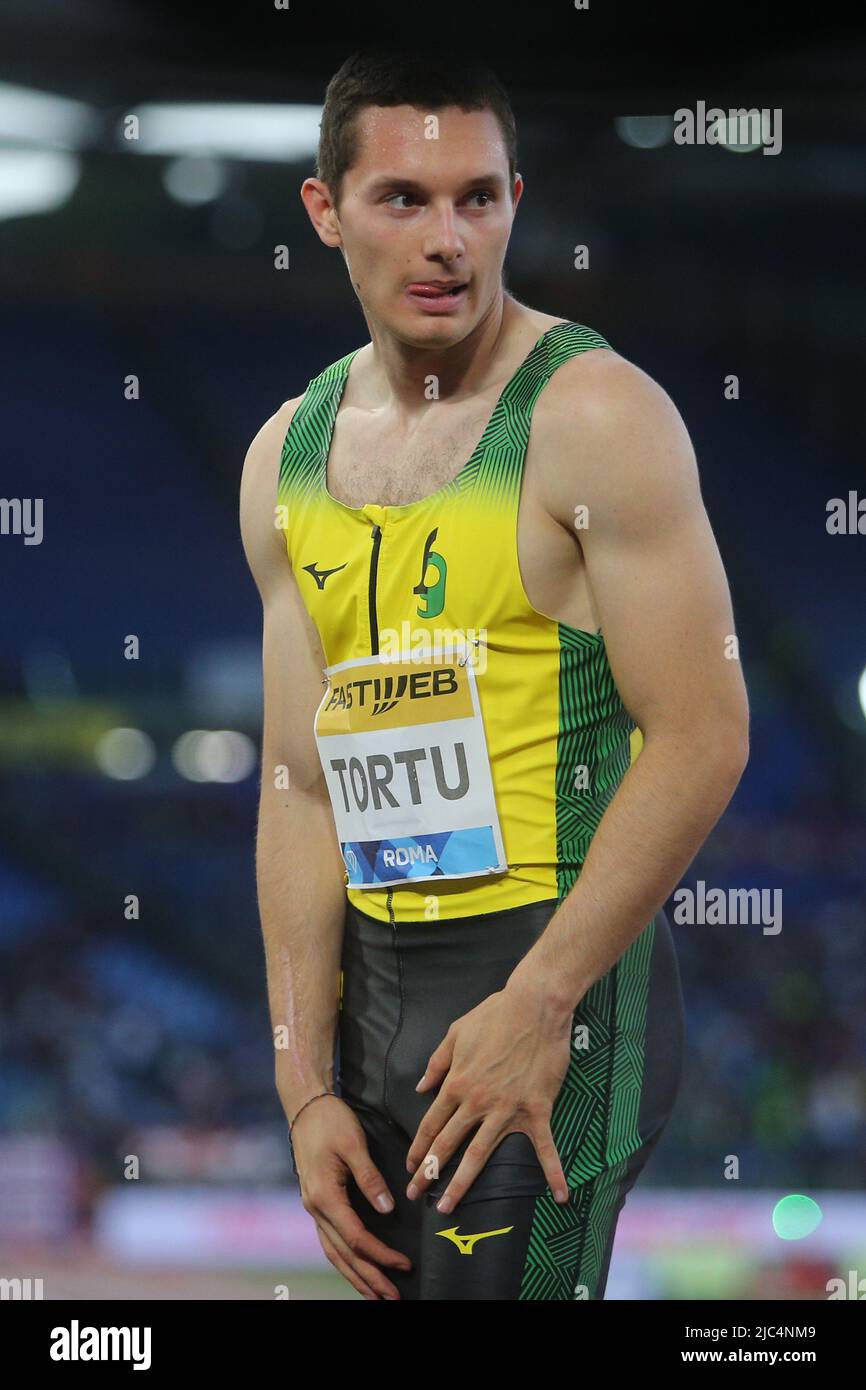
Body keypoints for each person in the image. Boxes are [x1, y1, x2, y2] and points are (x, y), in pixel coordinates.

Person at [239, 49, 749, 1301]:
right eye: (402, 199)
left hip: (552, 983)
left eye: (477, 198)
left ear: (515, 199)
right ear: (323, 211)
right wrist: (301, 1082)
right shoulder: (283, 457)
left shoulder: (595, 419)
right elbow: (300, 789)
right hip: (377, 996)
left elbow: (699, 733)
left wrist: (543, 999)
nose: (448, 241)